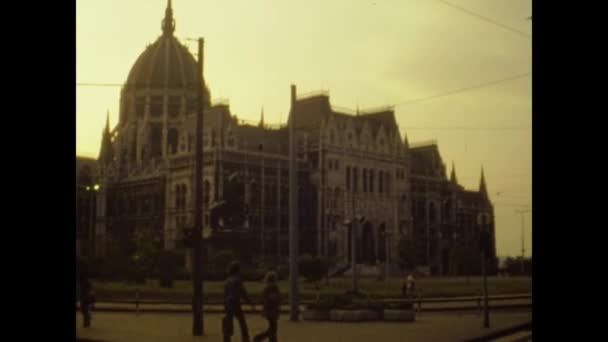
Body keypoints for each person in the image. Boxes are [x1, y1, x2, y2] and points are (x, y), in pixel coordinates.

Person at [223, 261, 253, 342]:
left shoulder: (227, 280)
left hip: (228, 303)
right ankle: (245, 338)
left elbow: (225, 294)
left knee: (228, 322)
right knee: (242, 322)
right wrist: (249, 302)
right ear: (237, 270)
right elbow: (243, 292)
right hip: (235, 303)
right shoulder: (237, 280)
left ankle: (226, 338)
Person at [253, 271, 281, 342]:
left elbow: (277, 298)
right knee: (273, 327)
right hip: (270, 310)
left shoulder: (273, 288)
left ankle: (260, 338)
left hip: (272, 310)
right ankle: (259, 338)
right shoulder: (269, 288)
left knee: (273, 327)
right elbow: (267, 299)